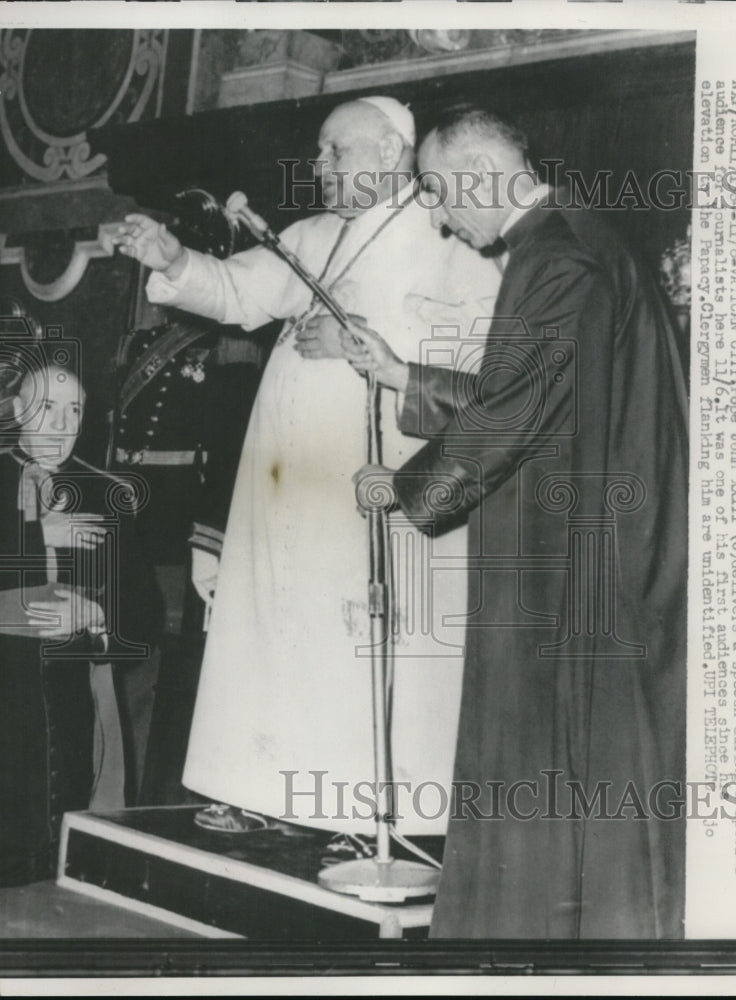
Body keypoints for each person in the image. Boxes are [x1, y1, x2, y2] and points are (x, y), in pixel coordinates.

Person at [113, 97, 501, 835]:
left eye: (335, 152)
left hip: (374, 482)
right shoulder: (312, 234)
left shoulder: (455, 240)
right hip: (285, 485)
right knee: (272, 628)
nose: (318, 167)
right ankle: (266, 791)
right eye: (320, 154)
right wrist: (173, 259)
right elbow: (236, 291)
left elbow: (480, 374)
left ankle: (362, 812)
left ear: (391, 153)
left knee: (350, 640)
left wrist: (375, 342)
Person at [345, 107, 689, 937]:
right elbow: (549, 403)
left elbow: (520, 409)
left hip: (577, 568)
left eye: (435, 189)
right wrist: (404, 376)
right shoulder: (572, 241)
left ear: (477, 168)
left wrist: (408, 486)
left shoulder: (559, 252)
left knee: (559, 774)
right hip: (580, 548)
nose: (437, 213)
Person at [0, 359, 162, 884]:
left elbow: (143, 614)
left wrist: (93, 615)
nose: (62, 425)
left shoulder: (106, 494)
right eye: (48, 408)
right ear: (18, 408)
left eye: (75, 411)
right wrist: (39, 539)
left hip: (74, 714)